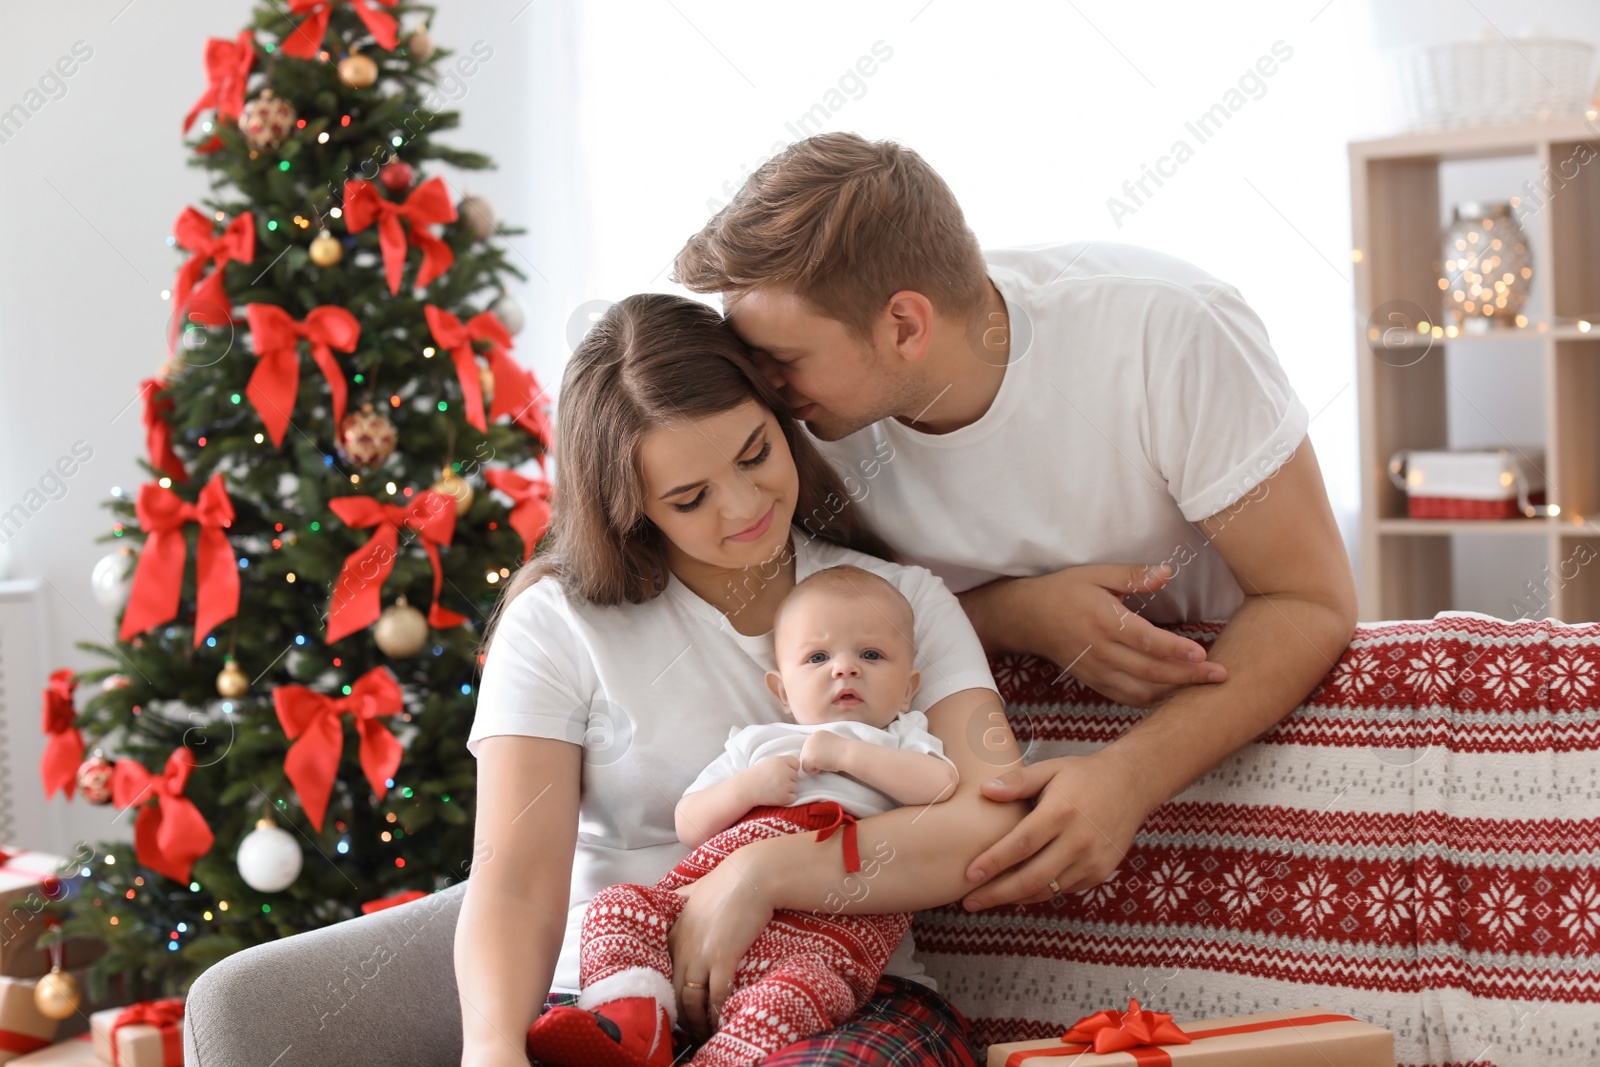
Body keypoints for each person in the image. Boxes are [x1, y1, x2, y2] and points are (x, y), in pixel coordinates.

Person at [672, 132, 1359, 924]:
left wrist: (1128, 775)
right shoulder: (808, 418)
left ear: (904, 325)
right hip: (961, 786)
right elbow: (807, 627)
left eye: (780, 357)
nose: (762, 384)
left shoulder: (1168, 333)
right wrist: (1016, 613)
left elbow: (1310, 598)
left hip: (1229, 735)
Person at [456, 293, 1027, 1067]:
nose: (745, 504)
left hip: (840, 993)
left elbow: (988, 820)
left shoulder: (897, 603)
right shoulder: (558, 622)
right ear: (631, 509)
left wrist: (763, 872)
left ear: (778, 414)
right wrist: (492, 1052)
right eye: (690, 498)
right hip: (612, 1000)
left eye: (755, 453)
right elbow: (516, 880)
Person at [524, 564, 960, 1067]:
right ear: (782, 692)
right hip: (702, 913)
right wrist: (748, 787)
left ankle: (721, 1061)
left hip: (829, 934)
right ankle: (633, 1028)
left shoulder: (903, 738)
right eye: (818, 657)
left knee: (798, 993)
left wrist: (850, 757)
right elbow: (690, 822)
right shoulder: (757, 743)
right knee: (617, 907)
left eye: (871, 655)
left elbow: (941, 786)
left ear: (908, 689)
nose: (845, 668)